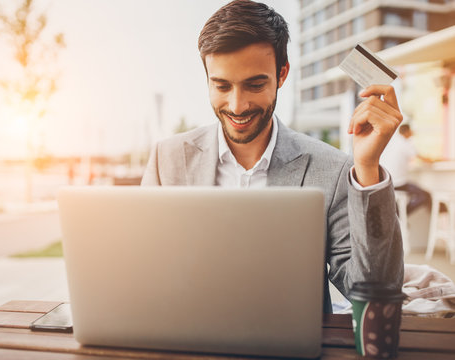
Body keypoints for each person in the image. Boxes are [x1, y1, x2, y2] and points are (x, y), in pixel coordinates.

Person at [141, 0, 403, 313]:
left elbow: (374, 291)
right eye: (222, 85)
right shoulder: (166, 159)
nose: (237, 106)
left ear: (281, 74)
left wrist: (367, 167)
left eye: (254, 84)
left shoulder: (334, 170)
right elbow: (142, 270)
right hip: (188, 336)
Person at [381, 124, 433, 215]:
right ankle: (402, 213)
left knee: (401, 198)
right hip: (399, 184)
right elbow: (422, 158)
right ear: (408, 132)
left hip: (386, 183)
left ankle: (399, 214)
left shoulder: (392, 142)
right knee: (424, 195)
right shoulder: (405, 143)